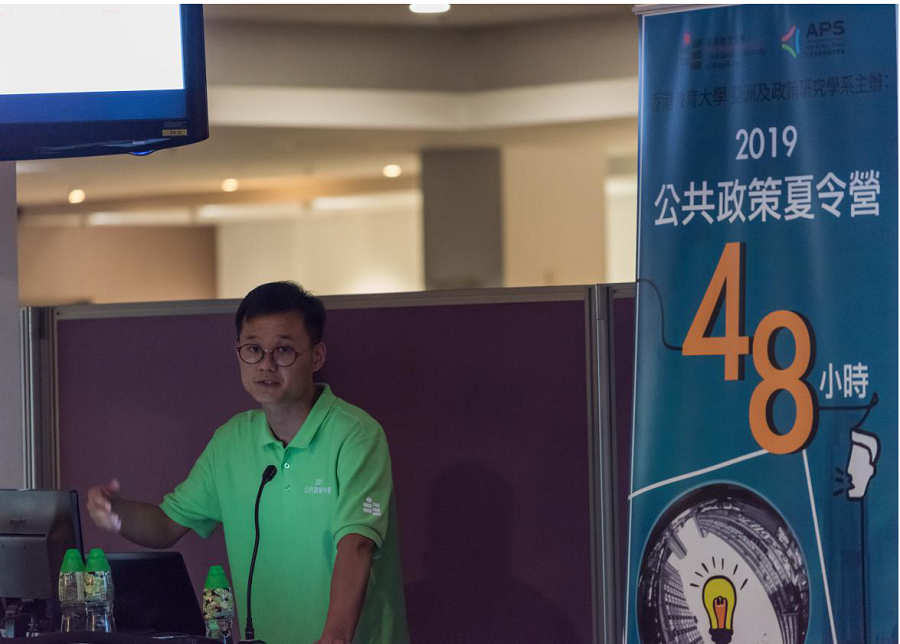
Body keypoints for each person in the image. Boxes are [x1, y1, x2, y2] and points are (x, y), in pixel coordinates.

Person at [87, 281, 409, 644]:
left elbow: (357, 545)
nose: (266, 365)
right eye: (253, 349)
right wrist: (116, 513)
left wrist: (334, 638)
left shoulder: (356, 434)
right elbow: (165, 525)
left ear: (317, 356)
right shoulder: (231, 440)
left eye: (283, 350)